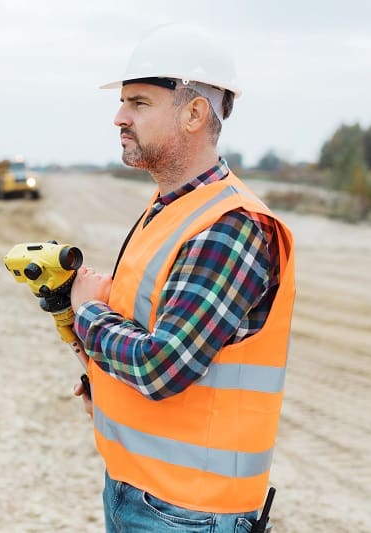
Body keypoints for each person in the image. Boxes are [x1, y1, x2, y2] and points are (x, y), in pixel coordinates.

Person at [69, 23, 295, 532]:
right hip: (138, 486)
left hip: (189, 511)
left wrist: (87, 311)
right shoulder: (169, 208)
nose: (119, 117)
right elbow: (145, 324)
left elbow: (161, 366)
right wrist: (99, 382)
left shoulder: (230, 225)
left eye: (139, 103)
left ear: (194, 113)